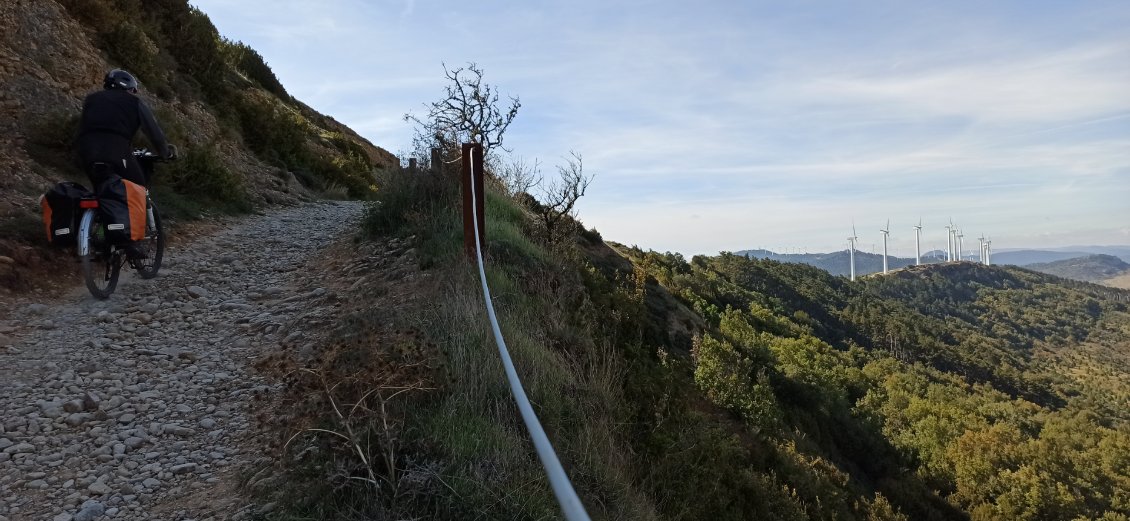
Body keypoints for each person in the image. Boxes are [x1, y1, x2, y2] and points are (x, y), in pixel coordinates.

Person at [75, 69, 175, 260]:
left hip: (85, 151)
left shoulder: (91, 99)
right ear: (129, 88)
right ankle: (131, 242)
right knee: (137, 187)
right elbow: (154, 133)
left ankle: (103, 235)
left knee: (103, 191)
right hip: (115, 150)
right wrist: (164, 152)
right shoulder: (134, 102)